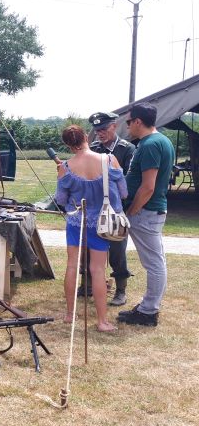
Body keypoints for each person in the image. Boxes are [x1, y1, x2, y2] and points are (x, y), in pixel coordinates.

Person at [54, 125, 127, 332]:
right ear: (87, 136)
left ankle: (70, 314)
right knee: (97, 270)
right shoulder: (109, 160)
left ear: (67, 144)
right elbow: (123, 192)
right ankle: (102, 321)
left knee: (71, 266)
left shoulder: (65, 167)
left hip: (76, 222)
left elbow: (60, 199)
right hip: (102, 224)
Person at [117, 102, 175, 327]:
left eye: (129, 121)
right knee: (155, 261)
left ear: (138, 121)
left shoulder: (151, 144)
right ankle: (147, 307)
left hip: (146, 211)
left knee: (154, 263)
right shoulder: (159, 141)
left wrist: (132, 211)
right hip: (150, 211)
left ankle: (149, 311)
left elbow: (148, 186)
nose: (128, 126)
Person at [80, 111, 137, 305]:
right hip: (93, 208)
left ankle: (120, 290)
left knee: (116, 250)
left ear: (114, 126)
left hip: (116, 209)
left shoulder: (127, 149)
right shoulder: (93, 148)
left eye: (104, 129)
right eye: (97, 130)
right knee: (88, 248)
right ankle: (87, 284)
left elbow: (129, 182)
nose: (100, 133)